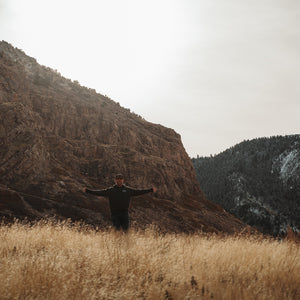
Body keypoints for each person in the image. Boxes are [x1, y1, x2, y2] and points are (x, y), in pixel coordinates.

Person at [83, 174, 157, 231]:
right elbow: (99, 192)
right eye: (118, 179)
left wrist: (150, 190)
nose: (119, 180)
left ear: (123, 180)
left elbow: (139, 192)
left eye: (121, 179)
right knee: (117, 230)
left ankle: (125, 245)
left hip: (124, 213)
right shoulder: (111, 190)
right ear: (115, 180)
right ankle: (117, 244)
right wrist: (88, 191)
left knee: (126, 230)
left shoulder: (128, 190)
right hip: (115, 213)